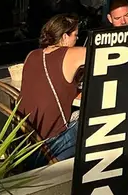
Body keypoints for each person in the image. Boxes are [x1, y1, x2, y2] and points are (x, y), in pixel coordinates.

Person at [19, 14, 86, 162]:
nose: (77, 39)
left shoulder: (31, 55)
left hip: (25, 147)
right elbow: (107, 57)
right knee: (92, 118)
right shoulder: (73, 53)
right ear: (64, 36)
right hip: (49, 148)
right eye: (75, 35)